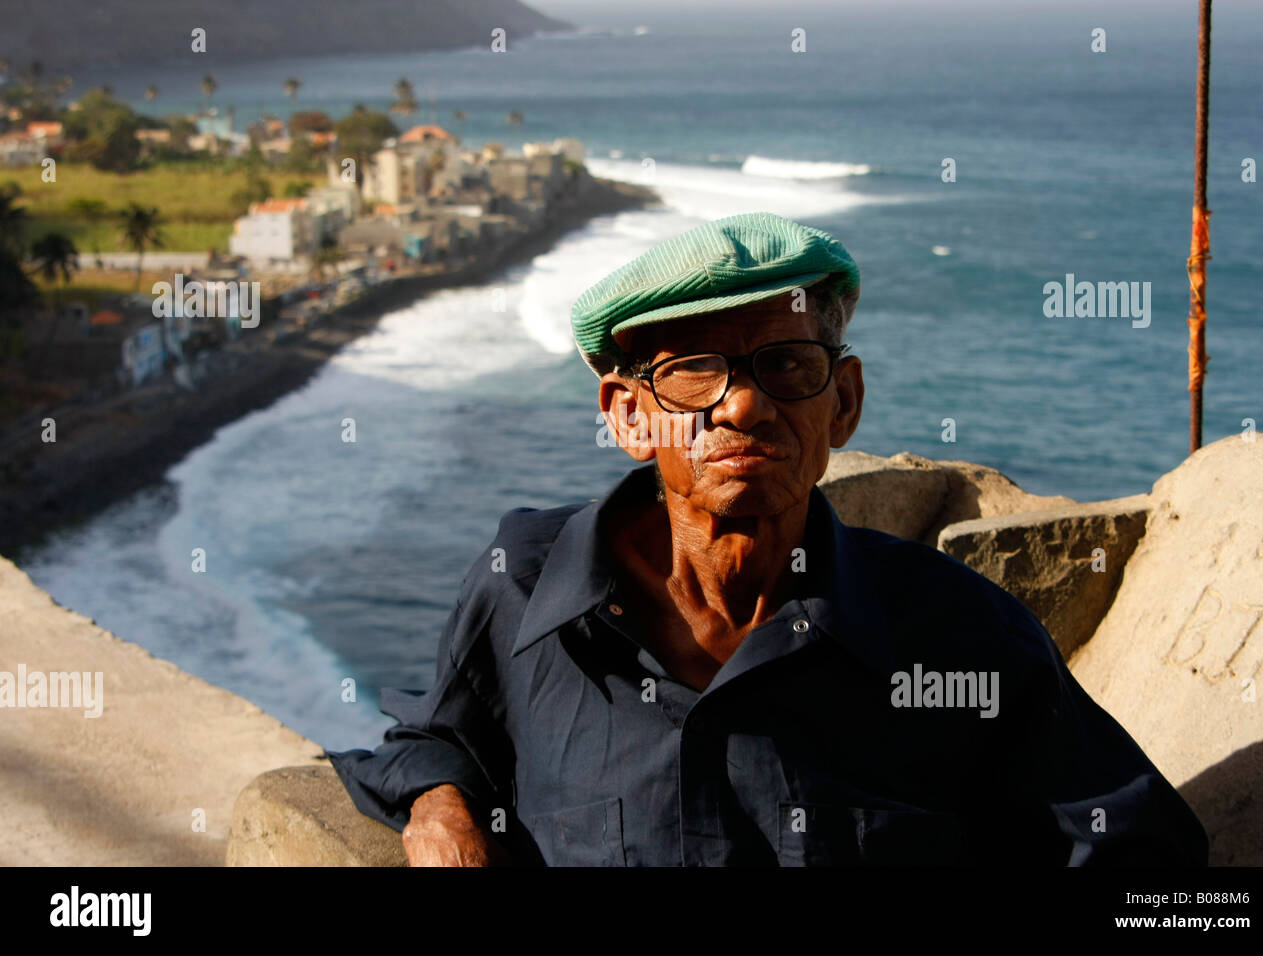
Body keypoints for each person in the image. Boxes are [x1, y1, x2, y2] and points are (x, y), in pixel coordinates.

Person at [327, 211, 1209, 866]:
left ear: (844, 403)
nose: (743, 404)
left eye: (785, 365)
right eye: (692, 371)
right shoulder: (526, 588)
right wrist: (443, 810)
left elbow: (1155, 868)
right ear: (629, 417)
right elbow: (436, 736)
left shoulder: (956, 635)